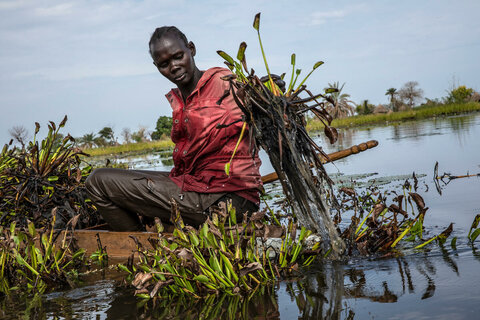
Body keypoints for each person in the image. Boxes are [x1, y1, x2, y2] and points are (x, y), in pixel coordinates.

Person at [85, 26, 262, 231]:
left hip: (228, 201)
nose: (174, 67)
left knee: (97, 182)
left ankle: (141, 247)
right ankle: (149, 235)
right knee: (103, 179)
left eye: (178, 56)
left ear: (191, 49)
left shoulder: (224, 84)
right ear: (156, 66)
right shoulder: (180, 99)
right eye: (164, 64)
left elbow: (258, 105)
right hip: (198, 188)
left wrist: (265, 93)